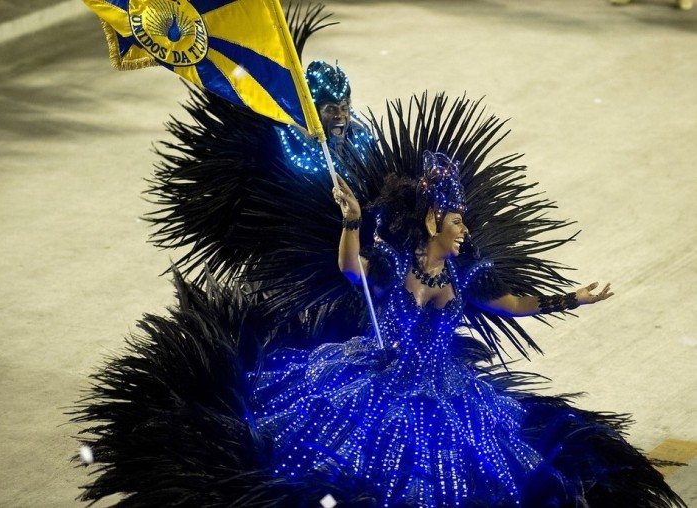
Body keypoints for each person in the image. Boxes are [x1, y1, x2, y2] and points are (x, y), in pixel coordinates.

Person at [249, 152, 682, 507]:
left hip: (446, 386)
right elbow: (350, 270)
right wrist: (352, 220)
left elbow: (511, 305)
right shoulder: (396, 264)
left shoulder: (464, 275)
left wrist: (572, 298)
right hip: (385, 377)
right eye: (457, 221)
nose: (465, 230)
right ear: (433, 221)